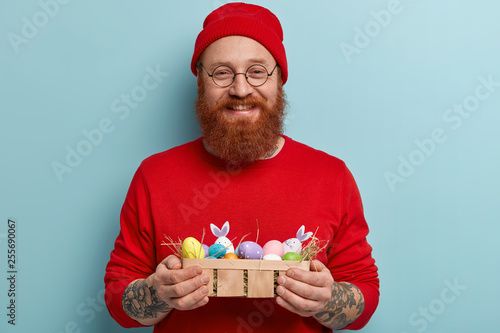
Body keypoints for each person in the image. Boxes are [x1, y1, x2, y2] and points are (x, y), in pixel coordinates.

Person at [105, 3, 379, 332]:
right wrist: (157, 292)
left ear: (279, 80)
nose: (240, 89)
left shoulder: (331, 176)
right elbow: (119, 302)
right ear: (200, 84)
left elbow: (363, 297)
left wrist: (328, 299)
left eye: (257, 71)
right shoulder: (154, 175)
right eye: (222, 72)